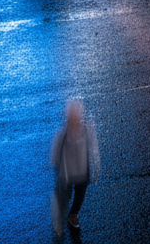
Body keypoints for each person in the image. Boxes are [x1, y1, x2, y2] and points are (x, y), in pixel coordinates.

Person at [50, 100, 101, 235]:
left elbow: (94, 148)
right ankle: (61, 219)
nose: (75, 120)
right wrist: (57, 168)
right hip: (68, 172)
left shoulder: (86, 130)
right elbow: (55, 154)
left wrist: (96, 168)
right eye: (72, 117)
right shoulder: (62, 134)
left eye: (76, 117)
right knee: (65, 197)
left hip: (82, 170)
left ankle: (72, 215)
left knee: (79, 195)